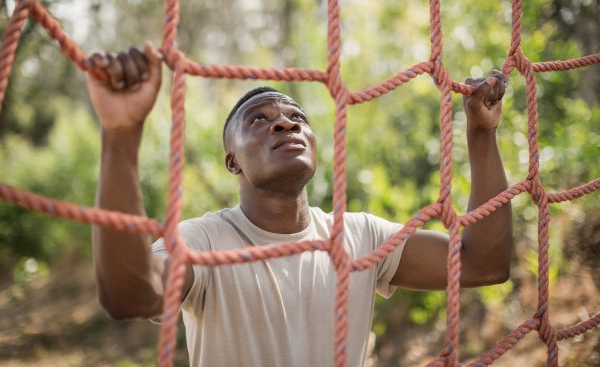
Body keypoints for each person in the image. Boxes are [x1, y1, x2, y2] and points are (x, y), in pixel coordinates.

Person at [87, 43, 512, 366]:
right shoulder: (204, 240)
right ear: (231, 161)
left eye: (297, 118)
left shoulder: (359, 236)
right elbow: (129, 295)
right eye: (258, 119)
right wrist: (121, 136)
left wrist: (481, 135)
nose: (285, 121)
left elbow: (483, 265)